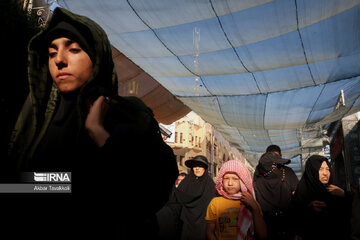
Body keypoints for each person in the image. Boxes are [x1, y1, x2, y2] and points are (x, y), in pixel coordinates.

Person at [4, 7, 178, 238]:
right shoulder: (34, 117)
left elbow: (147, 190)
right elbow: (11, 184)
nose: (59, 60)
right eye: (52, 52)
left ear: (97, 56)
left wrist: (98, 133)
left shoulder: (132, 118)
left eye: (73, 49)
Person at [291, 155, 352, 240]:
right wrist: (309, 208)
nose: (325, 173)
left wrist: (345, 195)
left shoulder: (335, 191)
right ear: (312, 171)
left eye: (327, 169)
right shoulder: (301, 194)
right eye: (320, 169)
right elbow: (294, 219)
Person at [206, 160, 267, 240]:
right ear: (221, 180)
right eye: (226, 178)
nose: (230, 183)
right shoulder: (215, 203)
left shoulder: (250, 202)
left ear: (242, 181)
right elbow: (209, 232)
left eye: (235, 179)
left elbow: (262, 235)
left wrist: (254, 207)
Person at [253, 145, 299, 240]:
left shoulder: (287, 172)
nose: (275, 161)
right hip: (265, 223)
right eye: (271, 158)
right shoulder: (259, 174)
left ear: (281, 157)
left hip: (287, 222)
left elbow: (296, 195)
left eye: (277, 157)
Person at [173, 155, 216, 240]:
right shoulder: (185, 183)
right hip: (185, 224)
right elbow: (177, 201)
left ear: (205, 168)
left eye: (200, 166)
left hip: (203, 226)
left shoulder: (210, 185)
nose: (197, 168)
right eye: (195, 166)